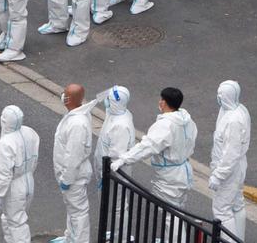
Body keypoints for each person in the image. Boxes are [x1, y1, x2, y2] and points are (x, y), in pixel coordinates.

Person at [112, 87, 198, 242]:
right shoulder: (187, 120)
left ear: (164, 102)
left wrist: (124, 159)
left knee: (171, 216)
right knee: (178, 212)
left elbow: (147, 146)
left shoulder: (166, 125)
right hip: (183, 171)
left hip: (169, 177)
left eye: (161, 100)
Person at [52, 84, 96, 243]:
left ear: (69, 99)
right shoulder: (76, 115)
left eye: (65, 93)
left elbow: (73, 156)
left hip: (74, 176)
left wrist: (67, 179)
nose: (62, 95)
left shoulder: (77, 124)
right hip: (72, 174)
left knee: (78, 212)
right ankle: (71, 238)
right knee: (73, 209)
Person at [209, 81, 251, 239]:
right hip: (237, 167)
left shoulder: (233, 120)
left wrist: (218, 176)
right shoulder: (238, 110)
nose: (218, 97)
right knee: (237, 204)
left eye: (221, 94)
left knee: (222, 210)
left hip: (229, 170)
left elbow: (231, 153)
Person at [0, 105, 40, 243]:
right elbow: (35, 157)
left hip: (14, 187)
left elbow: (3, 173)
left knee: (17, 223)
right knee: (10, 218)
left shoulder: (5, 143)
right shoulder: (30, 132)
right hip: (28, 179)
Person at [96, 85, 136, 229]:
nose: (106, 100)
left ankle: (121, 237)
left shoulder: (121, 125)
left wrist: (105, 172)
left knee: (118, 205)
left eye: (109, 98)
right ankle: (113, 233)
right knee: (110, 204)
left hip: (115, 172)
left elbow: (116, 156)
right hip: (108, 171)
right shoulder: (118, 114)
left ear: (115, 102)